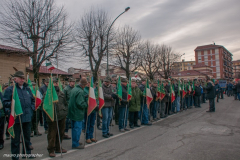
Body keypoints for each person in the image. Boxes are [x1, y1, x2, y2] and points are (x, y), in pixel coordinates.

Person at [2, 71, 35, 159]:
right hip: (16, 118)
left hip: (27, 117)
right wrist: (14, 103)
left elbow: (32, 100)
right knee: (16, 140)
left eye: (23, 78)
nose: (22, 80)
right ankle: (15, 157)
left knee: (27, 138)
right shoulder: (10, 89)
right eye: (20, 78)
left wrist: (31, 109)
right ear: (15, 79)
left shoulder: (27, 89)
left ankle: (27, 153)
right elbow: (5, 103)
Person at [43, 77, 68, 157]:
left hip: (61, 115)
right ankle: (51, 149)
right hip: (52, 117)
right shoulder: (47, 94)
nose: (56, 84)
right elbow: (44, 105)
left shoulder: (61, 93)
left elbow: (65, 103)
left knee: (61, 132)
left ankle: (58, 147)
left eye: (56, 83)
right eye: (54, 83)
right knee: (52, 134)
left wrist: (65, 111)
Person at [68, 77, 88, 149]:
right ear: (83, 84)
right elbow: (80, 103)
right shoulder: (80, 91)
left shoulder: (74, 89)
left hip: (72, 112)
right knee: (77, 129)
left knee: (74, 128)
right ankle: (75, 144)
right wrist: (87, 104)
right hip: (77, 113)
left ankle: (75, 141)